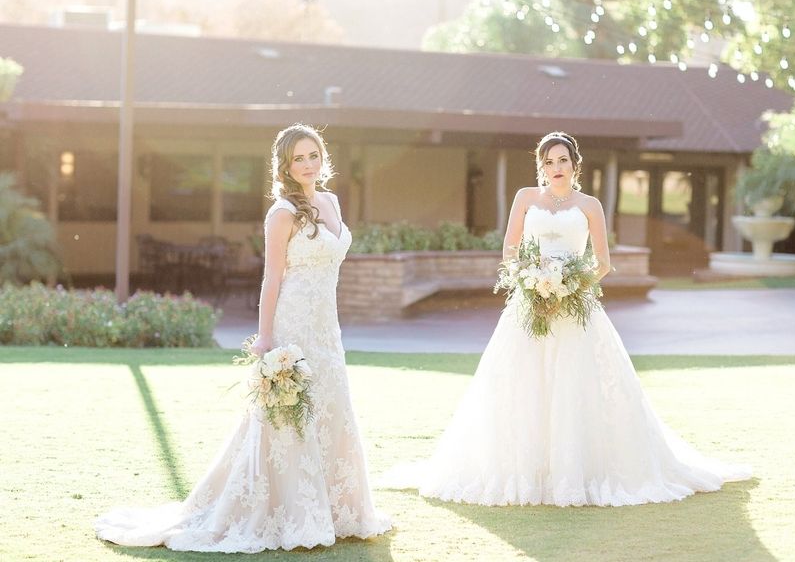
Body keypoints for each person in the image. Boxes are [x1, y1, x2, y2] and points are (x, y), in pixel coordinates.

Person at [385, 131, 751, 506]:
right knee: (522, 386)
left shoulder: (590, 204)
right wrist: (532, 285)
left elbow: (604, 264)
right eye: (548, 161)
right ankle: (526, 471)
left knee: (577, 387)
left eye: (562, 160)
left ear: (575, 164)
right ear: (541, 166)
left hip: (577, 310)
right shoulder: (525, 199)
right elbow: (511, 252)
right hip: (529, 307)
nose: (556, 168)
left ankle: (577, 470)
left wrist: (571, 288)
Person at [95, 123, 391, 552]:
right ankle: (289, 511)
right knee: (288, 416)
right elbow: (272, 279)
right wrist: (266, 338)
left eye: (314, 155)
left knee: (331, 405)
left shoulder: (330, 201)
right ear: (286, 166)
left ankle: (339, 508)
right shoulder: (282, 212)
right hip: (294, 323)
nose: (308, 165)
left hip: (328, 325)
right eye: (299, 159)